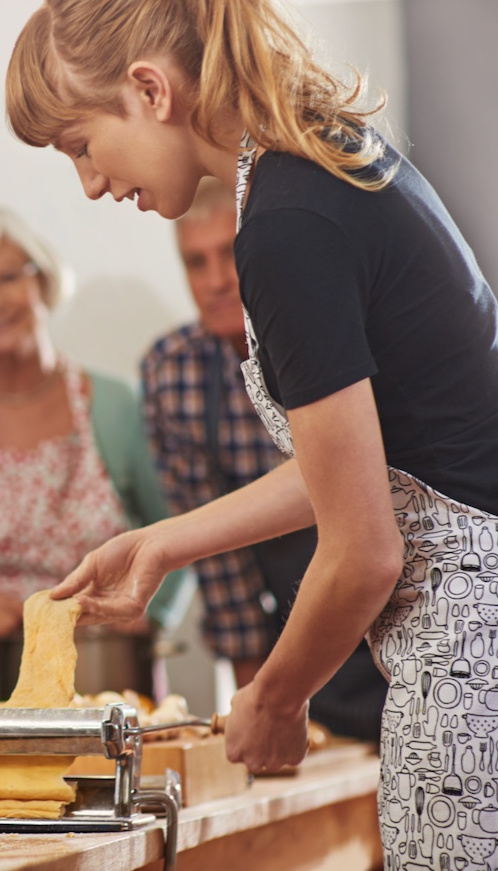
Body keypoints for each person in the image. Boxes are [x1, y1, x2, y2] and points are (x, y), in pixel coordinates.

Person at [5, 0, 498, 865]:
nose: (86, 183)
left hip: (473, 653)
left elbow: (365, 549)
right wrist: (164, 542)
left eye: (80, 144)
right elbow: (373, 462)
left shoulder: (285, 225)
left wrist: (274, 698)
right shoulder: (321, 157)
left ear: (150, 89)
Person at [0, 207, 193, 701]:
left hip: (107, 680)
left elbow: (182, 533)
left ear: (44, 281)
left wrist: (147, 614)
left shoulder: (119, 409)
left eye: (9, 277)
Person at [141, 178, 386, 741]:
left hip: (407, 609)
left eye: (228, 255)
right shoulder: (175, 370)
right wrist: (265, 702)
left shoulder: (331, 334)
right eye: (194, 263)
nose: (216, 281)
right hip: (302, 646)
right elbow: (224, 571)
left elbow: (369, 507)